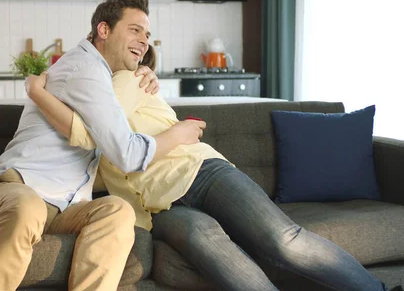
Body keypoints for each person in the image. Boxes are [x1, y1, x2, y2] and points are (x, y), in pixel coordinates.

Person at [26, 45, 402, 291]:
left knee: (282, 240)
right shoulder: (90, 101)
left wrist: (38, 92)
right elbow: (89, 141)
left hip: (200, 173)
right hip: (160, 209)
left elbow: (89, 133)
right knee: (214, 245)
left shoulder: (123, 82)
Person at [0, 0, 206, 291]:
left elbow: (90, 134)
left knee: (117, 211)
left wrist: (141, 74)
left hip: (63, 206)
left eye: (147, 34)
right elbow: (128, 154)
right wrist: (178, 135)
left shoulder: (104, 76)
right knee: (28, 207)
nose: (144, 40)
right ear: (103, 30)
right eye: (134, 30)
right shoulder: (85, 69)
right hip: (14, 190)